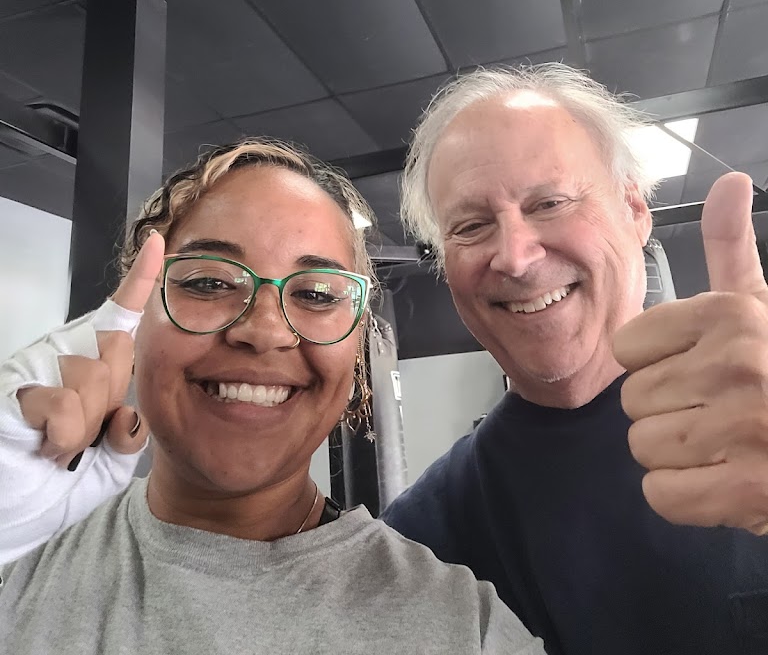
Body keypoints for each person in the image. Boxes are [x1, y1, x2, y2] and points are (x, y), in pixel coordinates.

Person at [0, 138, 543, 655]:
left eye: (316, 293)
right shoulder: (22, 550)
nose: (265, 330)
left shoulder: (462, 628)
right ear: (136, 323)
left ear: (355, 350)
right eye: (209, 283)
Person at [382, 63, 768, 655]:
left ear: (634, 209)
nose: (515, 257)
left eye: (550, 202)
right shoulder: (423, 540)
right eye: (471, 225)